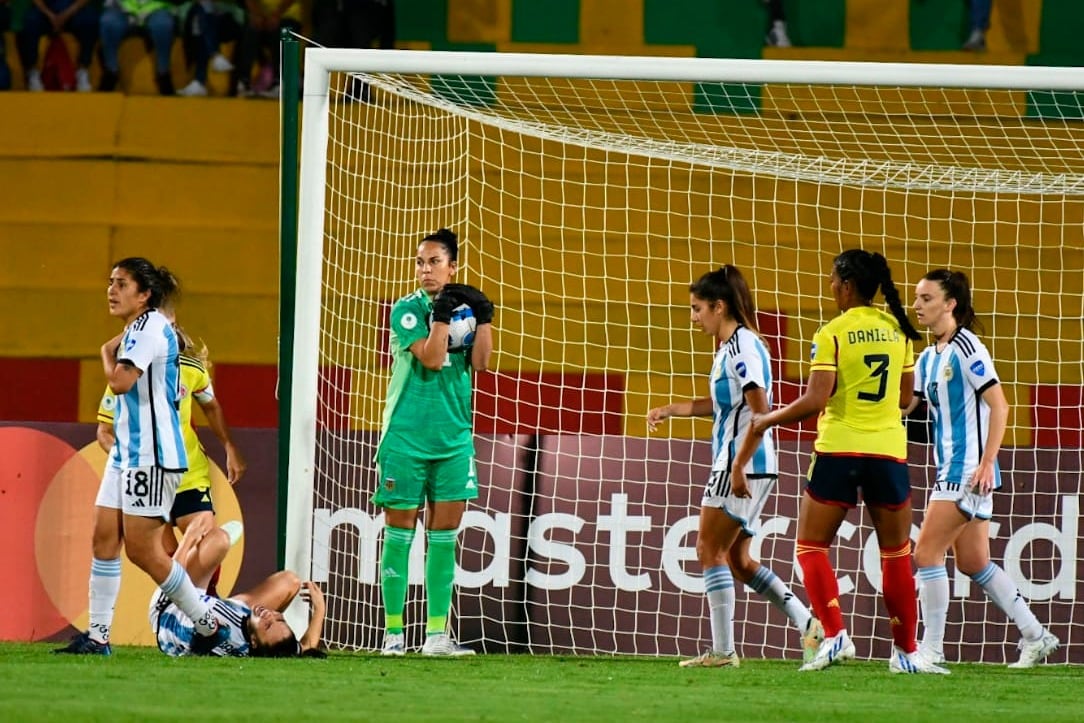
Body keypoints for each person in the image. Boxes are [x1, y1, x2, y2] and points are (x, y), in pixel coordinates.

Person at [739, 249, 948, 674]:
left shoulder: (832, 332)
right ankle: (906, 653)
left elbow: (816, 399)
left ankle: (836, 636)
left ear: (848, 286)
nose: (831, 285)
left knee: (811, 546)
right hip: (888, 452)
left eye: (834, 279)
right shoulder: (899, 331)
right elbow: (904, 398)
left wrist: (767, 420)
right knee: (896, 553)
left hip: (838, 449)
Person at [647, 265, 822, 668]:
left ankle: (724, 652)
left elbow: (761, 411)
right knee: (738, 560)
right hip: (748, 463)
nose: (693, 317)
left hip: (741, 463)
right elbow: (726, 404)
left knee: (709, 549)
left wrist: (739, 464)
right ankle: (809, 624)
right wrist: (673, 409)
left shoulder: (743, 347)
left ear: (719, 306)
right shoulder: (730, 347)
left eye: (697, 308)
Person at [55, 258, 222, 655]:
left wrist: (104, 353)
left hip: (153, 454)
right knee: (103, 538)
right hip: (127, 454)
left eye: (122, 284)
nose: (112, 290)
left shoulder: (148, 329)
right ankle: (98, 637)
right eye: (110, 282)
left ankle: (207, 623)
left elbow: (120, 381)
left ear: (145, 294)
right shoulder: (139, 328)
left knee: (144, 552)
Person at [909, 269, 1058, 668]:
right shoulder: (927, 357)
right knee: (973, 561)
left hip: (968, 469)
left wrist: (988, 461)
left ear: (950, 304)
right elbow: (911, 410)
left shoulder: (967, 346)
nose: (917, 305)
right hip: (953, 467)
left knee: (926, 553)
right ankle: (1036, 635)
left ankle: (931, 650)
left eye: (926, 298)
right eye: (917, 297)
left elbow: (1000, 405)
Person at [89, 302, 247, 630]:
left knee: (208, 540)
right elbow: (104, 430)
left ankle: (204, 607)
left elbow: (211, 406)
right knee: (157, 556)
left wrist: (230, 447)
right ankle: (192, 613)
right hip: (148, 471)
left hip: (188, 473)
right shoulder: (125, 374)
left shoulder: (191, 368)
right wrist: (125, 459)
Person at [375, 228, 494, 657]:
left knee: (444, 535)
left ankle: (436, 636)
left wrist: (484, 318)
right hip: (406, 436)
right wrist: (442, 315)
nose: (425, 269)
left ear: (452, 267)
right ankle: (393, 635)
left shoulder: (465, 311)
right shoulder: (406, 309)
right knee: (400, 531)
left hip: (453, 437)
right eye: (420, 262)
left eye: (434, 262)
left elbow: (481, 363)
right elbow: (431, 357)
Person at [151, 515, 326, 657]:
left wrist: (189, 538)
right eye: (280, 619)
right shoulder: (272, 644)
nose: (270, 616)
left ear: (254, 642)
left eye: (267, 625)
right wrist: (320, 609)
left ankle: (159, 513)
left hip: (170, 607)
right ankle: (210, 586)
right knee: (290, 582)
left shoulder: (216, 631)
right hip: (221, 610)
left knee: (219, 540)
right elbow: (304, 647)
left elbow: (174, 583)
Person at [312, 0, 395, 101]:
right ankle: (312, 88)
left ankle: (361, 89)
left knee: (360, 41)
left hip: (363, 16)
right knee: (319, 40)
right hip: (341, 17)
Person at [16, 0, 99, 92]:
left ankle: (82, 70)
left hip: (73, 9)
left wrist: (66, 15)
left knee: (90, 21)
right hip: (46, 10)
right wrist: (50, 15)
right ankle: (32, 72)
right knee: (30, 22)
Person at [98, 0, 177, 94]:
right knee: (109, 21)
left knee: (163, 24)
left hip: (157, 9)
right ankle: (111, 71)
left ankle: (163, 73)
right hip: (122, 9)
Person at [232, 0, 301, 98]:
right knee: (250, 31)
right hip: (263, 18)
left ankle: (279, 83)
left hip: (288, 16)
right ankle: (244, 81)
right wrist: (256, 14)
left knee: (281, 32)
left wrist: (276, 15)